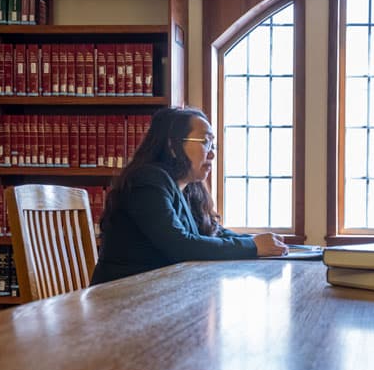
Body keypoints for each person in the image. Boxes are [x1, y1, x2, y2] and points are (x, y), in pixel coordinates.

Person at [91, 106, 287, 285]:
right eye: (205, 142)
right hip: (120, 298)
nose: (212, 154)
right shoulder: (148, 180)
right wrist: (251, 246)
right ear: (172, 146)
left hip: (158, 293)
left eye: (213, 144)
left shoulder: (187, 188)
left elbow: (213, 231)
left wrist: (257, 242)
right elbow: (181, 246)